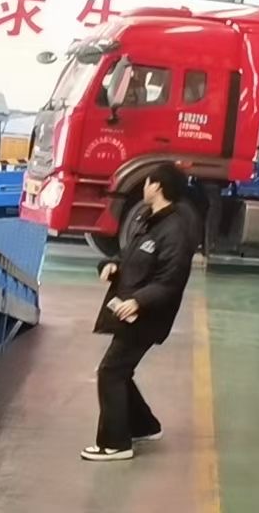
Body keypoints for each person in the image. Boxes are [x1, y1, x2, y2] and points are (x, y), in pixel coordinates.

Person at [84, 163, 196, 462]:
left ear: (156, 186)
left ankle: (115, 444)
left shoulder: (175, 231)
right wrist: (112, 264)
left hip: (147, 316)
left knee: (110, 372)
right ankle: (145, 426)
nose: (144, 187)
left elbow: (171, 280)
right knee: (120, 370)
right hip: (131, 312)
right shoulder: (149, 220)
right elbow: (129, 254)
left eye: (146, 182)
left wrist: (139, 301)